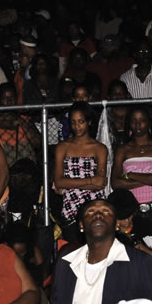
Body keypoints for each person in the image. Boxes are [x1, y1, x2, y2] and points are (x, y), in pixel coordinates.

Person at [111, 105, 152, 241]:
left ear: (149, 122)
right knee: (134, 252)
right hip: (131, 211)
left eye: (142, 120)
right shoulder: (123, 150)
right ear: (129, 123)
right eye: (134, 120)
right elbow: (116, 183)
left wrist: (129, 175)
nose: (138, 124)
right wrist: (151, 176)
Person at [54, 102, 108, 240]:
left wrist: (70, 183)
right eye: (73, 122)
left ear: (89, 122)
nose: (77, 126)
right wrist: (90, 180)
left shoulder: (99, 148)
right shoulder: (62, 147)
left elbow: (100, 184)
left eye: (81, 121)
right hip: (70, 207)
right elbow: (59, 182)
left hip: (95, 207)